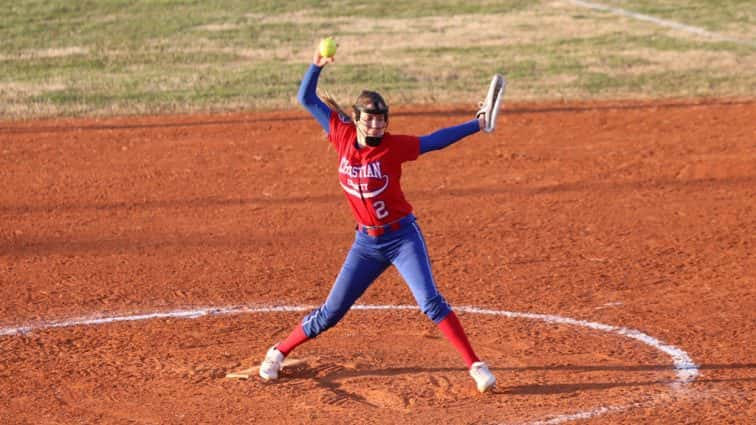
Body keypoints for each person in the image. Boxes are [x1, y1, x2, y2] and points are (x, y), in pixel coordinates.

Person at [258, 44, 502, 393]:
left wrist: (476, 124)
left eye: (382, 118)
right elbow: (306, 98)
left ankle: (476, 366)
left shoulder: (393, 146)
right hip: (366, 244)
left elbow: (434, 141)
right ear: (355, 119)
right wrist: (316, 65)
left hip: (402, 238)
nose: (377, 124)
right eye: (370, 118)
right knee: (331, 313)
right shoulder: (340, 134)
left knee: (431, 302)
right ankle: (278, 352)